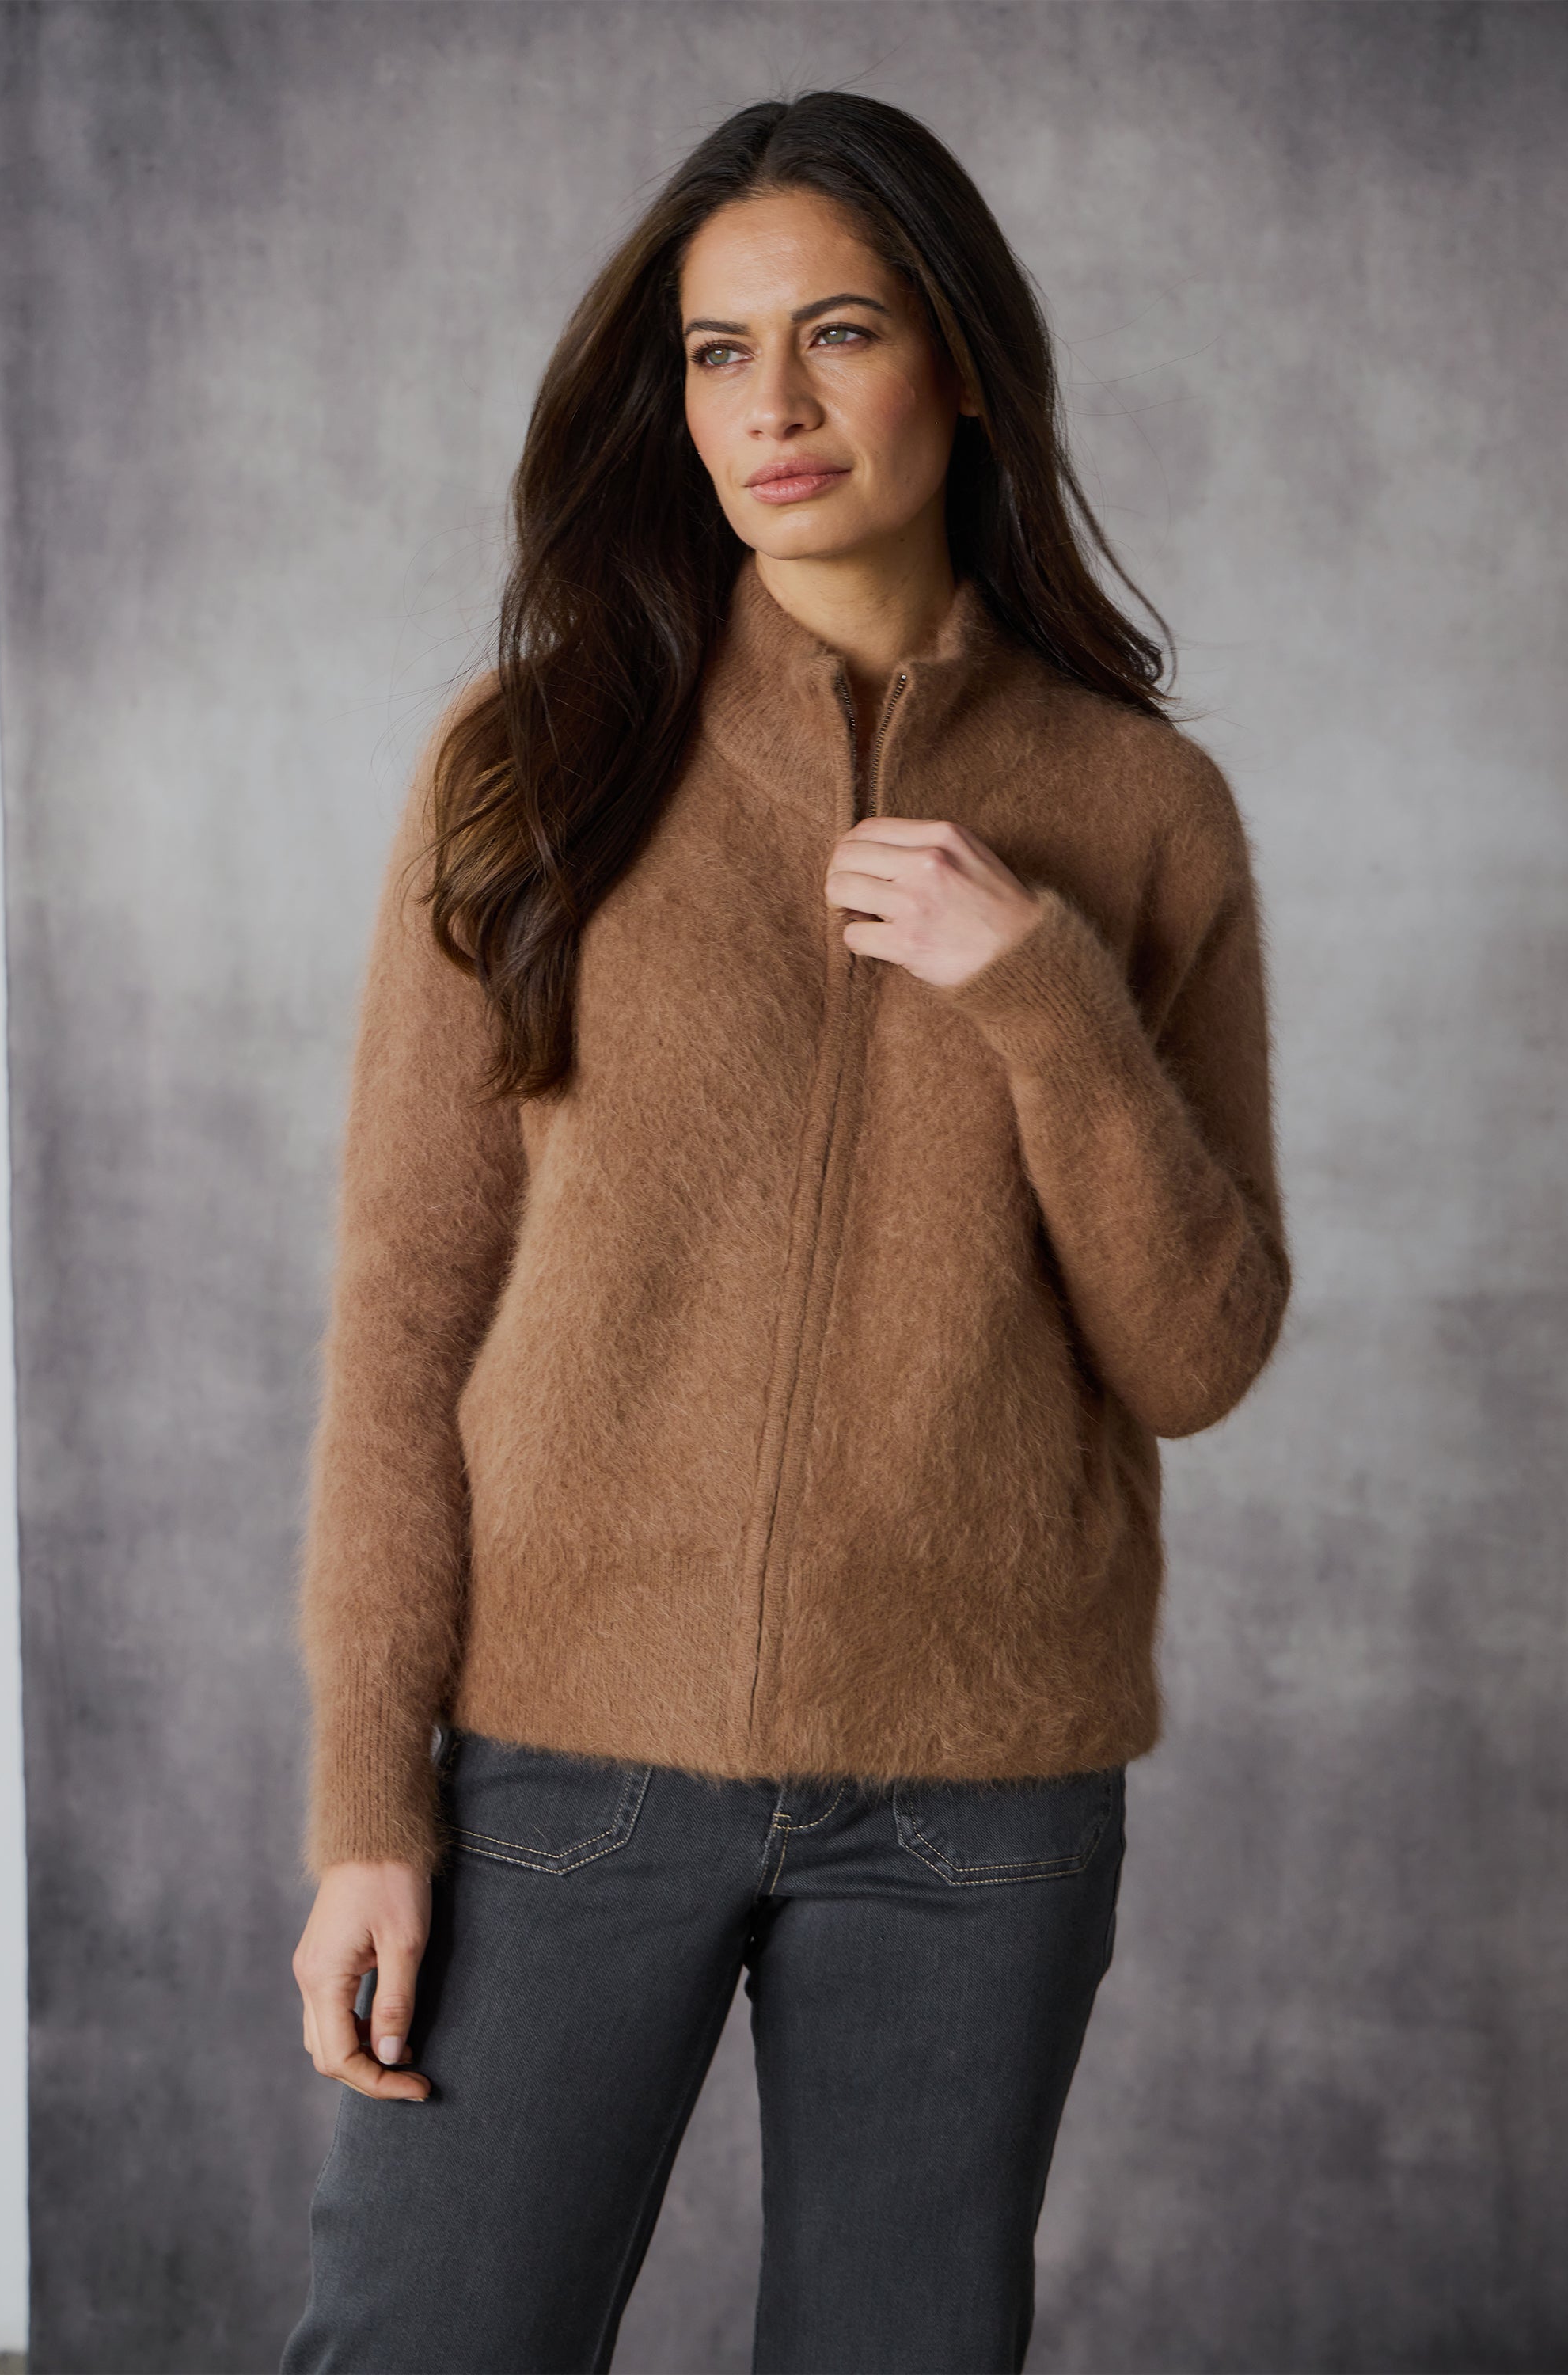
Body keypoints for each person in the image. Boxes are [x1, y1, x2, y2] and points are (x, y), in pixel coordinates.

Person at [279, 89, 1289, 2375]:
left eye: (839, 332)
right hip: (559, 1769)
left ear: (964, 365)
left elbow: (1199, 1354)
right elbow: (403, 1325)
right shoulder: (534, 764)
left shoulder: (1140, 805)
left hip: (978, 1804)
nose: (775, 407)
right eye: (720, 353)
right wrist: (367, 1806)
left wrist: (1040, 993)